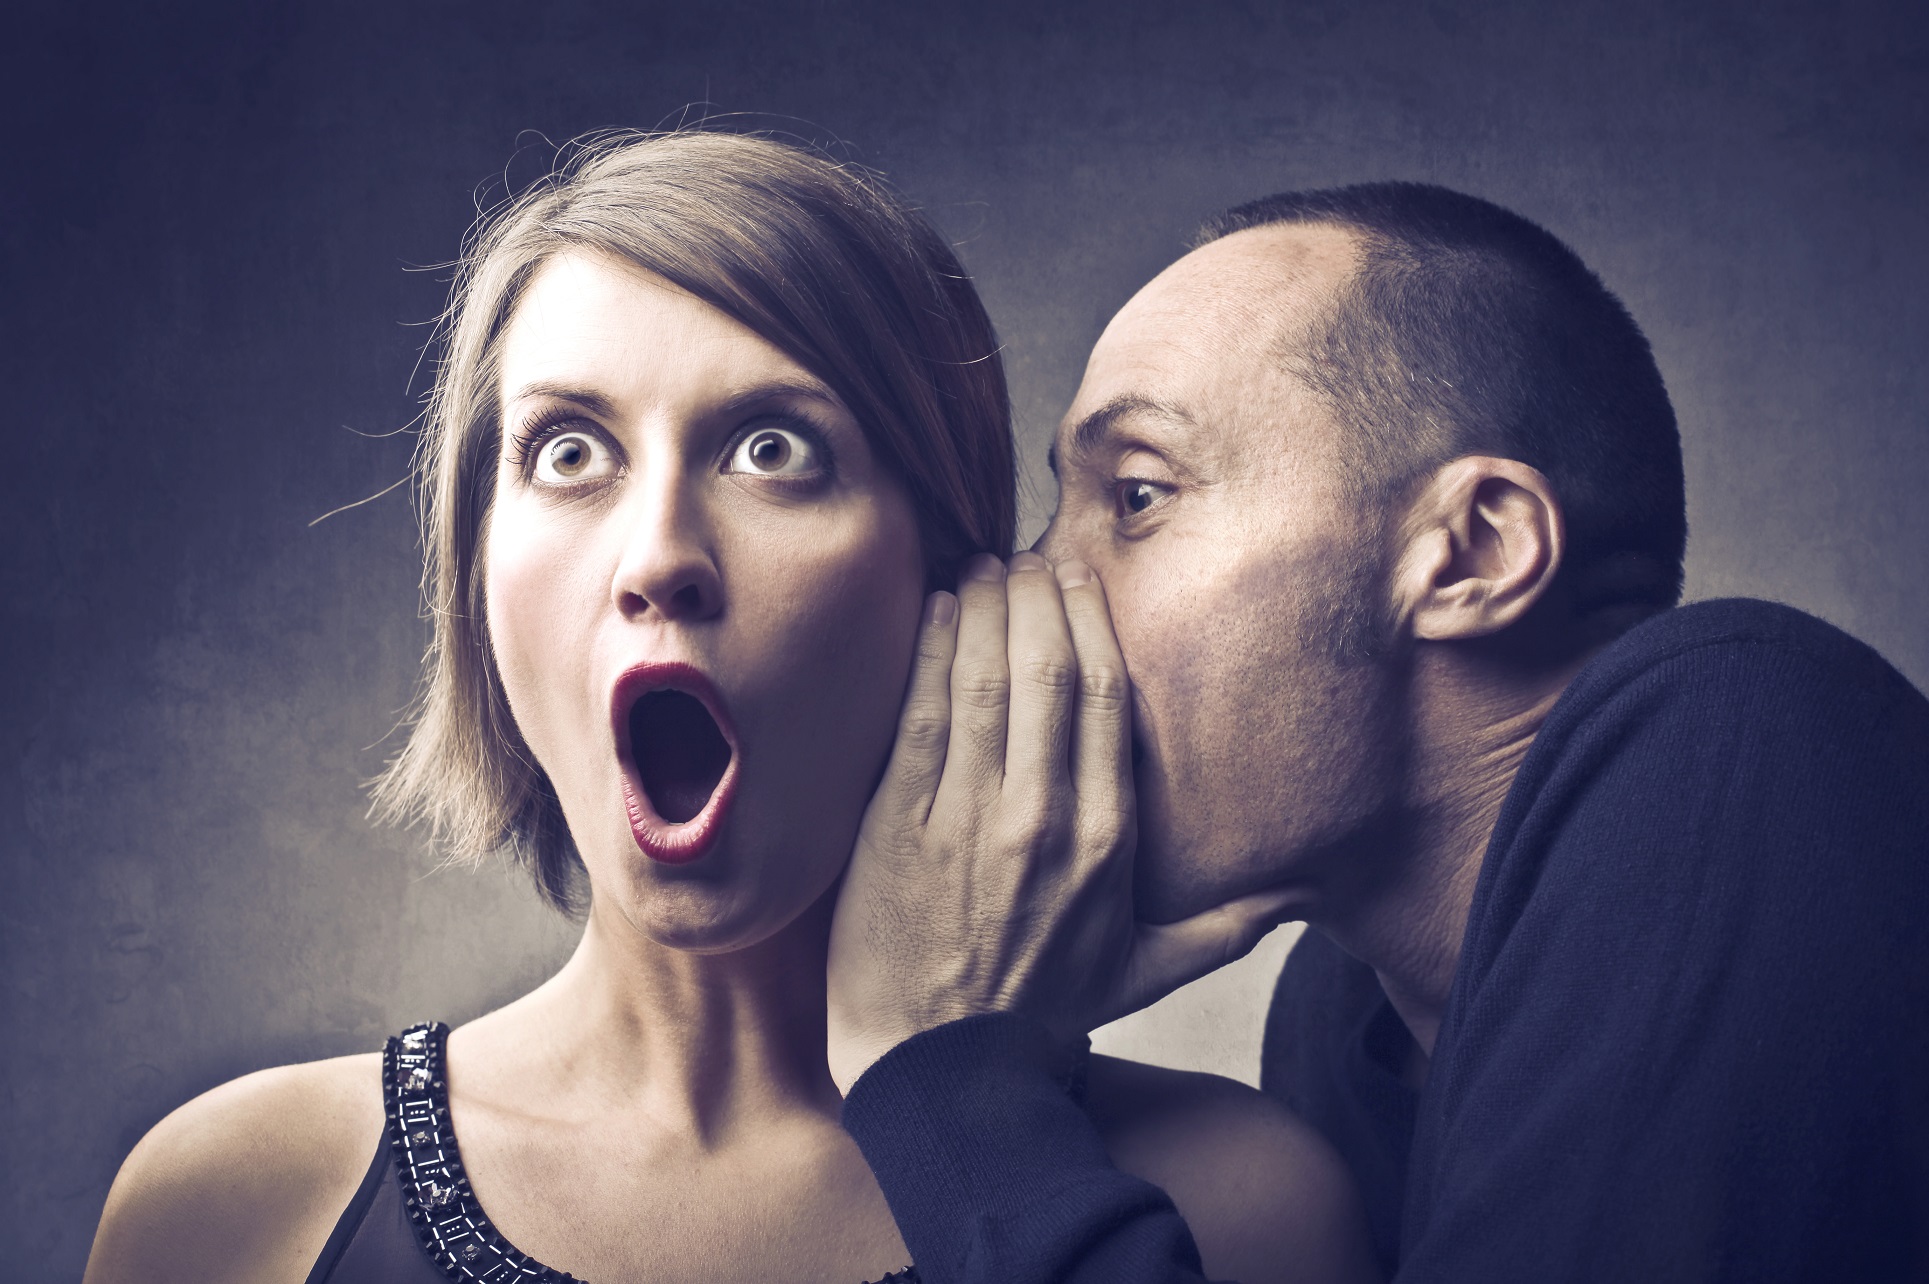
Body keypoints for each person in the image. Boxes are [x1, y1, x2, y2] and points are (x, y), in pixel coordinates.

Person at [81, 132, 1380, 1284]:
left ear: (951, 577)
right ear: (474, 570)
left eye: (773, 450)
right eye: (569, 452)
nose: (657, 555)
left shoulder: (1238, 1208)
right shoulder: (238, 1208)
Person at [826, 183, 1929, 1282]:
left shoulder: (1743, 736)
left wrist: (951, 1073)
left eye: (1138, 495)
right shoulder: (1345, 1018)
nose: (1027, 585)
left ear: (1474, 552)